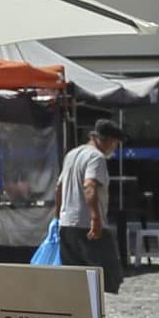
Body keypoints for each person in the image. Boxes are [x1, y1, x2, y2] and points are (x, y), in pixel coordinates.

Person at [56, 120, 125, 294]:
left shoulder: (71, 154)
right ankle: (97, 315)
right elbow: (89, 185)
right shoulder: (96, 157)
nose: (114, 148)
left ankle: (81, 315)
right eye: (114, 143)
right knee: (108, 276)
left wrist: (58, 216)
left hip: (67, 224)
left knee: (75, 280)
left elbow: (59, 187)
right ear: (105, 140)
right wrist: (96, 218)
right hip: (87, 225)